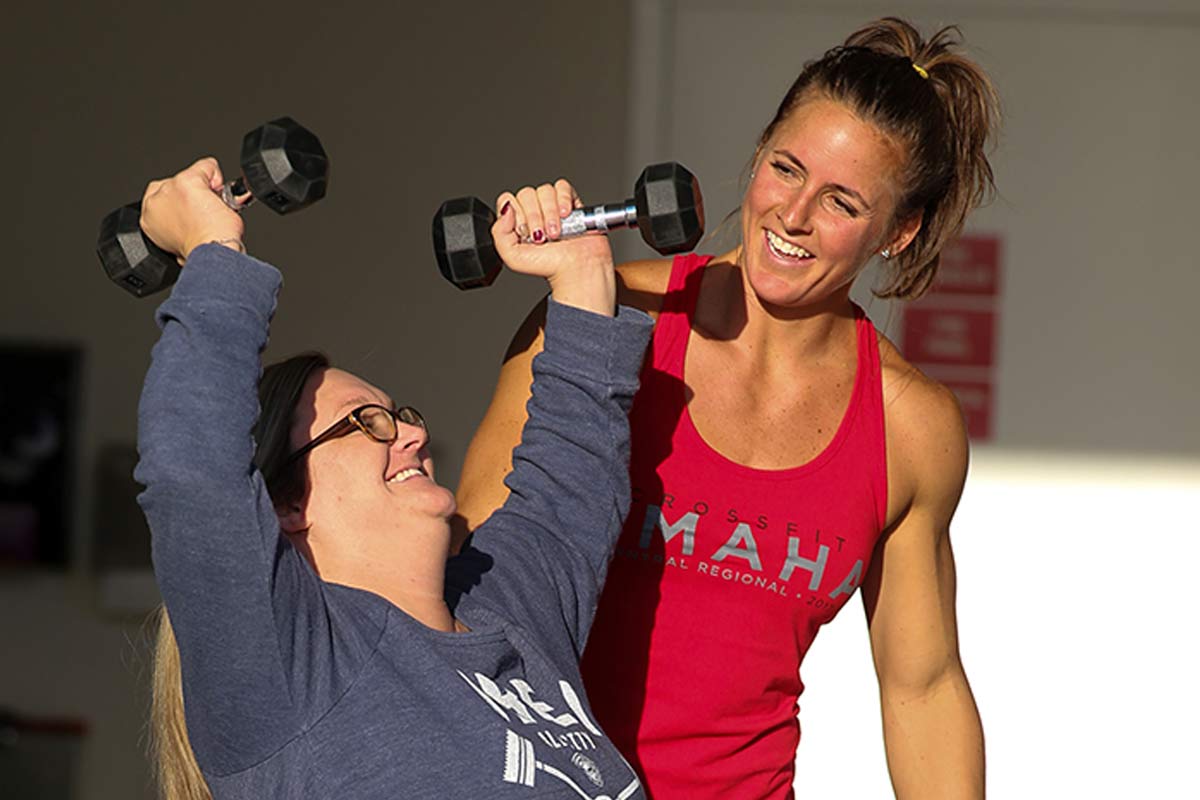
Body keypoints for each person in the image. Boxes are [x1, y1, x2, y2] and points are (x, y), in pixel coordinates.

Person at [454, 17, 999, 799]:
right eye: (786, 168)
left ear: (899, 233)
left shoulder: (913, 427)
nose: (794, 214)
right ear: (758, 151)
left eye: (842, 201)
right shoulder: (600, 321)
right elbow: (467, 594)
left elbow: (922, 686)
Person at [136, 157, 654, 799]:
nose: (412, 433)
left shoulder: (505, 612)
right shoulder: (293, 666)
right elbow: (193, 470)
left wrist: (581, 273)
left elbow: (568, 480)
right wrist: (212, 248)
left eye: (400, 414)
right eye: (367, 422)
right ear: (285, 505)